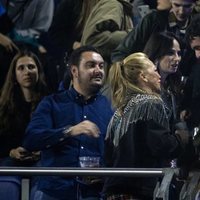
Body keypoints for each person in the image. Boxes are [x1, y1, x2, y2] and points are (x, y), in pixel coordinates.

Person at [23, 46, 113, 200]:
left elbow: (115, 150)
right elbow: (31, 139)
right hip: (55, 191)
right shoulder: (52, 103)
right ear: (74, 71)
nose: (98, 70)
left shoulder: (109, 107)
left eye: (101, 65)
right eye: (91, 65)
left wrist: (105, 172)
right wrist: (69, 131)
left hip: (94, 193)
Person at [103, 52, 190, 199]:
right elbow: (161, 146)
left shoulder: (120, 110)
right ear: (143, 76)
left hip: (115, 191)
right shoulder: (151, 102)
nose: (159, 76)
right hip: (139, 190)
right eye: (155, 71)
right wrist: (182, 138)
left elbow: (107, 155)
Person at [0, 50, 48, 199]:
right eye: (21, 68)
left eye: (31, 67)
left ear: (38, 71)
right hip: (11, 159)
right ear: (14, 75)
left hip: (41, 160)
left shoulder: (50, 103)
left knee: (42, 190)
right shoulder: (3, 106)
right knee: (6, 188)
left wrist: (41, 152)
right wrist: (11, 151)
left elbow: (57, 137)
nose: (27, 72)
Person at [111, 0, 197, 76]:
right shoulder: (153, 20)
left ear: (194, 4)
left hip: (177, 85)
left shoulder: (196, 25)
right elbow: (120, 54)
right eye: (177, 5)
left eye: (187, 6)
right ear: (170, 2)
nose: (181, 11)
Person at [143, 31, 182, 126]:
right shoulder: (145, 91)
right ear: (156, 55)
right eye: (170, 53)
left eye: (179, 53)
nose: (177, 58)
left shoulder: (170, 86)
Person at [180, 13, 200, 130]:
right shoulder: (196, 67)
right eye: (196, 49)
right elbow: (190, 91)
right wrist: (186, 108)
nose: (198, 55)